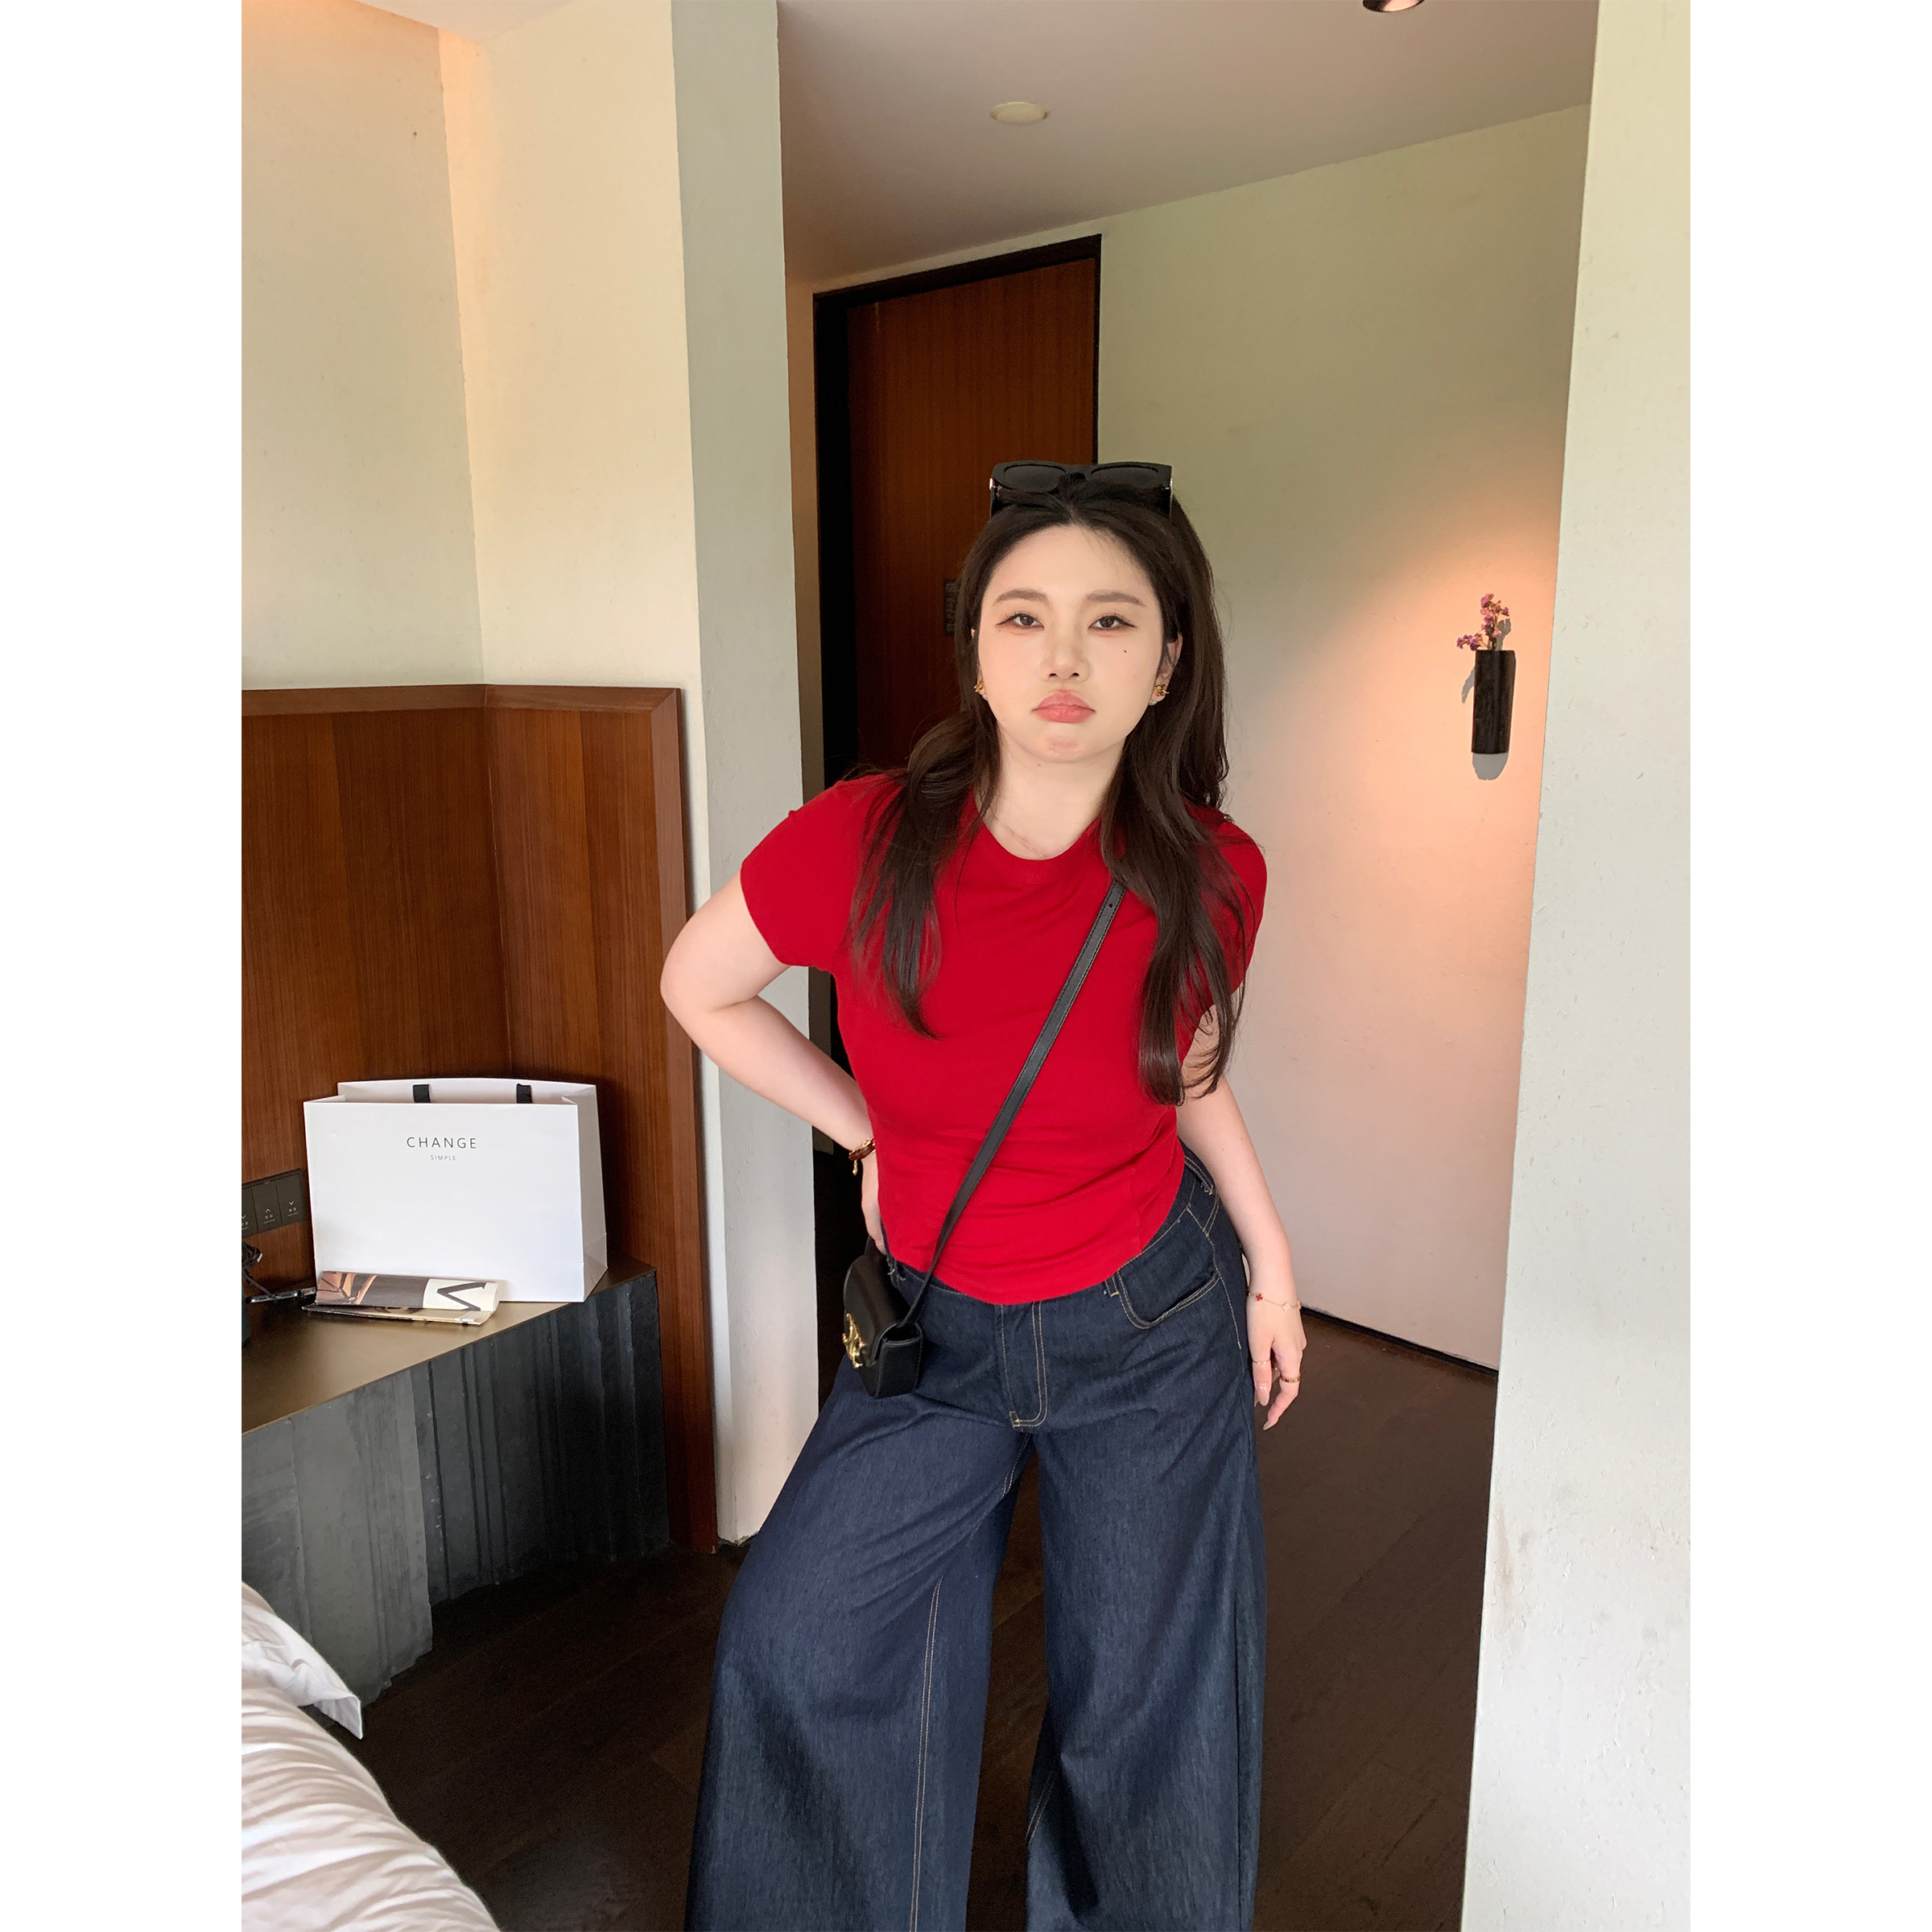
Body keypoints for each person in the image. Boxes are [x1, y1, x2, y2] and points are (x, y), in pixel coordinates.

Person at [661, 460, 1307, 1932]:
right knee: (798, 1644)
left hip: (1150, 1325)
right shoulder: (861, 838)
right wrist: (867, 1134)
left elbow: (1188, 1077)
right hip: (935, 1332)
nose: (1064, 657)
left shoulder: (1215, 873)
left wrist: (1272, 1264)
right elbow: (699, 987)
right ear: (975, 649)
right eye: (1024, 618)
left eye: (1110, 621)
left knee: (1148, 1712)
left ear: (1168, 662)